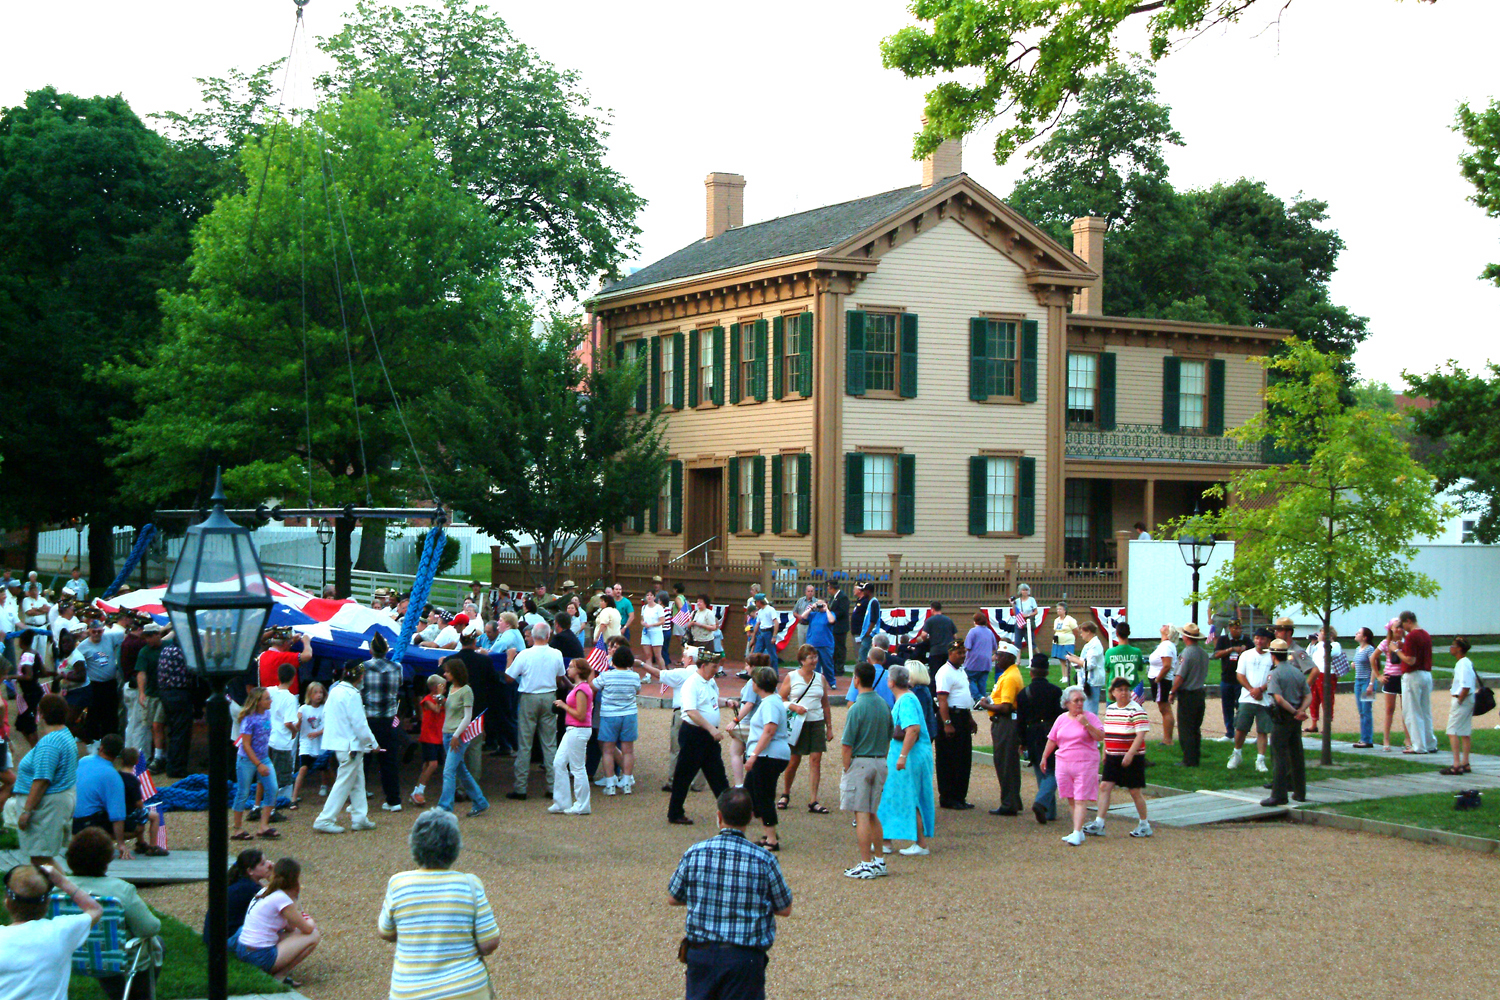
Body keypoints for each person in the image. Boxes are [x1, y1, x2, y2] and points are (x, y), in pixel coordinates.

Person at [668, 787, 793, 1000]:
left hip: (702, 953)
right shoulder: (764, 859)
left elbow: (673, 897)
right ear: (751, 816)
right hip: (744, 958)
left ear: (719, 816)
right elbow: (785, 908)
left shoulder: (695, 852)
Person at [379, 809, 500, 1000]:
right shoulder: (470, 885)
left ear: (414, 844)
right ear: (455, 847)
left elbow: (386, 932)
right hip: (466, 990)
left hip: (409, 992)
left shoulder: (398, 884)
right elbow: (489, 943)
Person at [65, 826, 162, 997]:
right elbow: (150, 928)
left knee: (105, 947)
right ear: (107, 859)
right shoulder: (119, 890)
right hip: (114, 959)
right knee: (155, 942)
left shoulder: (60, 889)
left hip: (70, 956)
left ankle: (119, 994)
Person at [0, 862, 103, 1000]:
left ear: (7, 903)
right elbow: (95, 909)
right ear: (47, 902)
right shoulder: (61, 931)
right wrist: (62, 881)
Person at [313, 661, 380, 835]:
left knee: (358, 781)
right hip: (351, 745)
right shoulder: (352, 694)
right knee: (344, 783)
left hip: (341, 744)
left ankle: (359, 817)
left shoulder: (335, 691)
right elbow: (359, 724)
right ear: (360, 676)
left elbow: (327, 715)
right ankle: (325, 819)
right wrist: (373, 743)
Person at [840, 661, 893, 878]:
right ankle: (879, 860)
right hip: (880, 760)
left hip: (860, 762)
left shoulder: (856, 707)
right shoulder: (883, 704)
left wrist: (847, 768)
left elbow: (846, 745)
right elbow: (889, 734)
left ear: (857, 679)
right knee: (873, 813)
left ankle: (865, 862)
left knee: (861, 814)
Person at [667, 649, 733, 825]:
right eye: (713, 666)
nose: (716, 669)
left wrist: (726, 701)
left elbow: (711, 700)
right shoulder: (691, 684)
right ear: (702, 665)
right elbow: (691, 711)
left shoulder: (709, 681)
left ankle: (730, 812)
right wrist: (711, 729)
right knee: (684, 775)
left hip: (708, 737)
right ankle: (674, 813)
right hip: (694, 735)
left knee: (718, 775)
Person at [876, 665, 934, 857]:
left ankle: (920, 843)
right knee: (893, 796)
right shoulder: (906, 698)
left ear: (892, 682)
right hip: (906, 756)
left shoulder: (907, 700)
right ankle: (886, 840)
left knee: (909, 796)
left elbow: (913, 729)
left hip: (909, 758)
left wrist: (902, 756)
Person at [15, 694, 80, 866]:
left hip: (46, 806)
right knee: (44, 858)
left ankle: (67, 891)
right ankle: (63, 890)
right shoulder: (65, 734)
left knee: (40, 858)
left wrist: (26, 811)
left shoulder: (50, 743)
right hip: (59, 800)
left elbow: (42, 780)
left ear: (41, 714)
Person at [505, 621, 567, 800]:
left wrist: (510, 658)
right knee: (549, 743)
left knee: (525, 743)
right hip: (549, 696)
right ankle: (552, 785)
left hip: (528, 696)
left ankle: (521, 787)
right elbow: (560, 677)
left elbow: (509, 678)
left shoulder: (524, 654)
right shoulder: (556, 654)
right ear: (548, 636)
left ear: (533, 635)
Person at [1084, 677, 1153, 838]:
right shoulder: (1111, 709)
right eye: (1120, 690)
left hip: (1132, 757)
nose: (1124, 693)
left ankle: (1144, 824)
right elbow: (1108, 732)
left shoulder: (1136, 710)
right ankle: (1099, 823)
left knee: (1135, 790)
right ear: (1113, 693)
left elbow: (1141, 734)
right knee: (1105, 786)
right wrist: (1105, 751)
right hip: (1113, 756)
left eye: (1126, 690)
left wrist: (1130, 753)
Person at [234, 858, 321, 983]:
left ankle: (276, 972)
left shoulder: (265, 891)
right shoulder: (282, 899)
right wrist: (310, 920)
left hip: (242, 949)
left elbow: (291, 928)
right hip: (258, 956)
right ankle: (280, 975)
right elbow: (307, 929)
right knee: (314, 935)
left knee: (295, 934)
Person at [1041, 685, 1105, 846]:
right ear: (1067, 703)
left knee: (1081, 798)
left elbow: (1101, 736)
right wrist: (1044, 757)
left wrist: (1087, 725)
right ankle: (1078, 829)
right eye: (1076, 700)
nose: (1080, 704)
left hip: (1085, 763)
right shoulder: (1061, 719)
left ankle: (1077, 831)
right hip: (1064, 762)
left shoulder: (1090, 717)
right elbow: (1053, 739)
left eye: (1082, 700)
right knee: (1070, 797)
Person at [777, 645, 833, 814]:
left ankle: (813, 800)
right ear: (802, 660)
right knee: (794, 760)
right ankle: (785, 793)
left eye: (815, 657)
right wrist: (793, 707)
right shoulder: (791, 677)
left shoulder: (820, 678)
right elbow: (781, 698)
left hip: (816, 721)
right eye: (810, 657)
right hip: (798, 723)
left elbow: (825, 703)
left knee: (816, 760)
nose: (814, 660)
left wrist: (829, 727)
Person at [596, 645, 657, 795]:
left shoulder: (606, 676)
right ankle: (627, 781)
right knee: (628, 750)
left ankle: (610, 783)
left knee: (608, 750)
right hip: (629, 714)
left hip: (609, 715)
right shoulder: (634, 676)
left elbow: (593, 686)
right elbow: (637, 690)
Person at [743, 665, 791, 850]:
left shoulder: (770, 703)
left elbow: (769, 730)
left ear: (757, 684)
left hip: (768, 755)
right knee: (752, 793)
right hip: (768, 754)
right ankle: (767, 832)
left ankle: (772, 839)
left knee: (763, 795)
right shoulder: (772, 700)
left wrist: (754, 755)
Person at [435, 659, 489, 817]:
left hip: (456, 735)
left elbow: (467, 717)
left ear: (455, 673)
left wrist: (457, 735)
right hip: (449, 733)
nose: (445, 674)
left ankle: (445, 807)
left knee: (448, 771)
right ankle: (480, 801)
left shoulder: (466, 691)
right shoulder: (452, 688)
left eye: (448, 672)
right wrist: (440, 698)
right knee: (460, 770)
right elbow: (450, 709)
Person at [1261, 639, 1310, 807]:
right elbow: (1308, 695)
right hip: (1296, 716)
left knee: (1280, 755)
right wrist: (1301, 711)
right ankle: (1300, 792)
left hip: (1283, 716)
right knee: (1297, 754)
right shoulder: (1297, 672)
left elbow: (1279, 699)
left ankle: (1279, 794)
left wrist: (1294, 712)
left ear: (1272, 654)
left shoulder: (1275, 674)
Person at [976, 640, 1024, 816]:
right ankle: (1014, 800)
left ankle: (1008, 803)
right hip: (1004, 722)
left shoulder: (1010, 677)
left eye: (1000, 656)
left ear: (1009, 657)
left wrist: (985, 705)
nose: (996, 658)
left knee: (1005, 763)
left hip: (1006, 723)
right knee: (1007, 762)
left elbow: (1006, 706)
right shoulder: (1008, 674)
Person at [1016, 654, 1065, 824]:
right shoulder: (1056, 691)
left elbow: (1020, 720)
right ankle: (1042, 803)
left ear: (1032, 673)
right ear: (1047, 672)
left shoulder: (1023, 694)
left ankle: (1049, 810)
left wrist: (1022, 741)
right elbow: (1061, 714)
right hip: (1051, 732)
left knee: (1040, 770)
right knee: (1054, 771)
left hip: (1032, 733)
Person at [71, 734, 134, 859]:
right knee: (137, 827)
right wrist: (121, 844)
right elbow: (117, 816)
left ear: (101, 748)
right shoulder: (113, 776)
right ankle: (98, 840)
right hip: (90, 823)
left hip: (72, 820)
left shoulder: (83, 761)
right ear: (118, 755)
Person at [232, 688, 280, 842]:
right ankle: (237, 828)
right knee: (243, 792)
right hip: (247, 760)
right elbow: (246, 745)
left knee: (272, 788)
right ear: (258, 702)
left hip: (263, 757)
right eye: (267, 699)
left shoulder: (266, 714)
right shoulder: (249, 719)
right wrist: (258, 764)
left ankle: (263, 826)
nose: (270, 701)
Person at [932, 640, 975, 810]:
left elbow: (964, 696)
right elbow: (942, 699)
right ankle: (948, 797)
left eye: (964, 652)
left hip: (962, 716)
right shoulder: (944, 672)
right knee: (949, 759)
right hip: (951, 717)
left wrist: (970, 717)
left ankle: (960, 796)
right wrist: (947, 723)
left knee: (963, 759)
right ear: (950, 653)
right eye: (959, 653)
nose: (963, 656)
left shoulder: (961, 671)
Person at [549, 657, 595, 815]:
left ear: (579, 671)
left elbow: (581, 715)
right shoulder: (579, 687)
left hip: (578, 729)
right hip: (573, 729)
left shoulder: (582, 689)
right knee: (559, 762)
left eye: (571, 667)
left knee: (577, 767)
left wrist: (563, 706)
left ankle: (582, 805)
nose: (568, 669)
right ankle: (562, 802)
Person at [1229, 627, 1274, 773]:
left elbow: (1273, 677)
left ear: (1268, 641)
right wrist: (1251, 690)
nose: (1259, 641)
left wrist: (1261, 689)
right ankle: (1236, 753)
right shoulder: (1246, 655)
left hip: (1265, 700)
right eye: (1257, 638)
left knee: (1263, 730)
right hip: (1247, 698)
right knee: (1241, 728)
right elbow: (1240, 675)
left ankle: (1260, 759)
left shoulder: (1272, 657)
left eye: (1262, 639)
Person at [204, 849, 272, 945]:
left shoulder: (242, 881)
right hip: (224, 941)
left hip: (214, 938)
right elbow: (279, 902)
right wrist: (272, 877)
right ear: (250, 871)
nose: (268, 865)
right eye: (263, 863)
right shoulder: (249, 888)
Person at [1394, 610, 1439, 754]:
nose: (1402, 628)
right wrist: (1404, 647)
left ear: (1408, 621)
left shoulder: (1412, 636)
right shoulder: (1425, 634)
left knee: (1412, 712)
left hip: (1413, 676)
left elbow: (1410, 660)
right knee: (1425, 711)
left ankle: (1418, 746)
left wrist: (1396, 650)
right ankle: (1430, 743)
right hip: (1426, 674)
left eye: (1402, 624)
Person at [1169, 622, 1210, 766]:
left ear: (1185, 637)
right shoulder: (1204, 654)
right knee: (1195, 728)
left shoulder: (1187, 653)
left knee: (1186, 728)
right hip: (1199, 693)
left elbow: (1180, 676)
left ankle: (1188, 759)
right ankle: (1195, 756)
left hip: (1188, 694)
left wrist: (1172, 691)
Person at [409, 675, 447, 806]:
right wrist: (440, 697)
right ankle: (420, 791)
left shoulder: (442, 700)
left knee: (427, 765)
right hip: (429, 736)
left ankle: (417, 791)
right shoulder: (427, 700)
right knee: (433, 764)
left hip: (438, 736)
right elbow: (436, 709)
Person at [1441, 636, 1477, 775]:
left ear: (1459, 648)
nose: (1451, 648)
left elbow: (1466, 685)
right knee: (1465, 732)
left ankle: (1456, 764)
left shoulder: (1462, 664)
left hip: (1462, 699)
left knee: (1453, 731)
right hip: (1468, 700)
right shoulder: (1466, 663)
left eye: (1453, 645)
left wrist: (1459, 700)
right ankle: (1465, 762)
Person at [267, 663, 300, 807]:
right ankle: (280, 802)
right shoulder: (290, 698)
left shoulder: (269, 691)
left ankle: (269, 801)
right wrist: (295, 731)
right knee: (283, 775)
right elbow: (288, 722)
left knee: (270, 772)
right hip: (282, 741)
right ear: (293, 678)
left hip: (269, 738)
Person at [292, 682, 331, 804]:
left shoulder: (325, 709)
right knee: (303, 768)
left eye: (321, 692)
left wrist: (317, 733)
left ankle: (327, 787)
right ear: (309, 694)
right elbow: (297, 726)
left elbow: (329, 726)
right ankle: (294, 796)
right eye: (315, 692)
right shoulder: (303, 709)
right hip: (306, 744)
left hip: (321, 744)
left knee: (325, 768)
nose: (319, 695)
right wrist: (297, 722)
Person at [1211, 619, 1249, 740]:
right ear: (1230, 629)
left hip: (1241, 680)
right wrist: (1231, 649)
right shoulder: (1223, 640)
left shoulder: (1246, 640)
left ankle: (1240, 731)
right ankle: (1229, 732)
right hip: (1227, 678)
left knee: (1241, 707)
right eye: (1235, 628)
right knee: (1227, 707)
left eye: (1239, 628)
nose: (1238, 630)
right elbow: (1216, 654)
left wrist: (1244, 650)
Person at [1306, 625, 1344, 734]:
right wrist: (1313, 643)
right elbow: (1308, 654)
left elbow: (1328, 654)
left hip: (1327, 674)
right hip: (1316, 673)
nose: (1320, 635)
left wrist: (1324, 642)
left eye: (1322, 633)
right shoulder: (1318, 644)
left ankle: (1327, 725)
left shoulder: (1335, 645)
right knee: (1313, 698)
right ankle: (1314, 724)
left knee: (1326, 699)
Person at [1065, 619, 1106, 716]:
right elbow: (1085, 660)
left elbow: (1089, 664)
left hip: (1092, 681)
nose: (1081, 635)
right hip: (1088, 680)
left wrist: (1073, 660)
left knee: (1090, 710)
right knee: (1086, 708)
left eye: (1082, 632)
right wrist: (1076, 658)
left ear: (1088, 632)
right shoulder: (1091, 644)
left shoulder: (1094, 645)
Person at [1378, 619, 1407, 751]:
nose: (1399, 629)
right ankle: (1386, 739)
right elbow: (1373, 657)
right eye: (1396, 627)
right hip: (1390, 677)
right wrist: (1378, 675)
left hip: (1403, 677)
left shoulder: (1406, 642)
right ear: (1391, 629)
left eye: (1401, 627)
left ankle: (1408, 739)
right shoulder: (1386, 643)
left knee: (1406, 710)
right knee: (1390, 709)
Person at [1148, 624, 1179, 745]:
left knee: (1165, 709)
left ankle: (1167, 739)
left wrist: (1158, 679)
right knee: (1163, 708)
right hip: (1160, 680)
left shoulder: (1166, 646)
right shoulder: (1164, 645)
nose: (1163, 626)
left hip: (1162, 680)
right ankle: (1167, 738)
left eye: (1166, 626)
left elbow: (1167, 665)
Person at [797, 594, 837, 687]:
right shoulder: (814, 614)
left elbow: (832, 621)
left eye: (821, 604)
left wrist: (826, 609)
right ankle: (815, 683)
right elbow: (803, 617)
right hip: (813, 644)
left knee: (827, 665)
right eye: (818, 604)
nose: (819, 606)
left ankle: (832, 682)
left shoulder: (830, 614)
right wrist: (811, 608)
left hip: (825, 644)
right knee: (814, 665)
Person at [1350, 627, 1379, 748]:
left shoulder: (1370, 649)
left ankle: (1367, 739)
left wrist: (1371, 684)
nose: (1356, 634)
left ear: (1364, 637)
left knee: (1366, 711)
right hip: (1358, 681)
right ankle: (1363, 738)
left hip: (1367, 681)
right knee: (1361, 711)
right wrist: (1354, 665)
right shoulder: (1358, 649)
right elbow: (1359, 663)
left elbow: (1374, 667)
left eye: (1359, 633)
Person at [1103, 621, 1146, 702]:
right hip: (1132, 693)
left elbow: (1107, 669)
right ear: (1129, 633)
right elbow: (1140, 668)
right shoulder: (1136, 652)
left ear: (1116, 633)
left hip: (1114, 693)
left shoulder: (1110, 652)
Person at [963, 610, 999, 700]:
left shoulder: (973, 631)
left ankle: (978, 698)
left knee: (969, 679)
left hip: (973, 661)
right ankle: (983, 700)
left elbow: (967, 647)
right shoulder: (990, 632)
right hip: (986, 662)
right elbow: (995, 647)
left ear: (975, 621)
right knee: (982, 682)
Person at [854, 582, 881, 666]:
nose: (863, 592)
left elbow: (874, 619)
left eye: (864, 590)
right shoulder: (871, 602)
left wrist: (868, 632)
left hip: (870, 633)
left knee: (863, 652)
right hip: (868, 632)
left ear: (868, 591)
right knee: (865, 652)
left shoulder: (874, 602)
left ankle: (862, 669)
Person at [828, 579, 850, 674]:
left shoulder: (842, 597)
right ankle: (834, 667)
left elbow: (842, 611)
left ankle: (840, 668)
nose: (828, 590)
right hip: (834, 627)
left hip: (840, 627)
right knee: (834, 648)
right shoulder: (833, 598)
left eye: (829, 587)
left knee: (840, 648)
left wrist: (832, 615)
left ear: (832, 588)